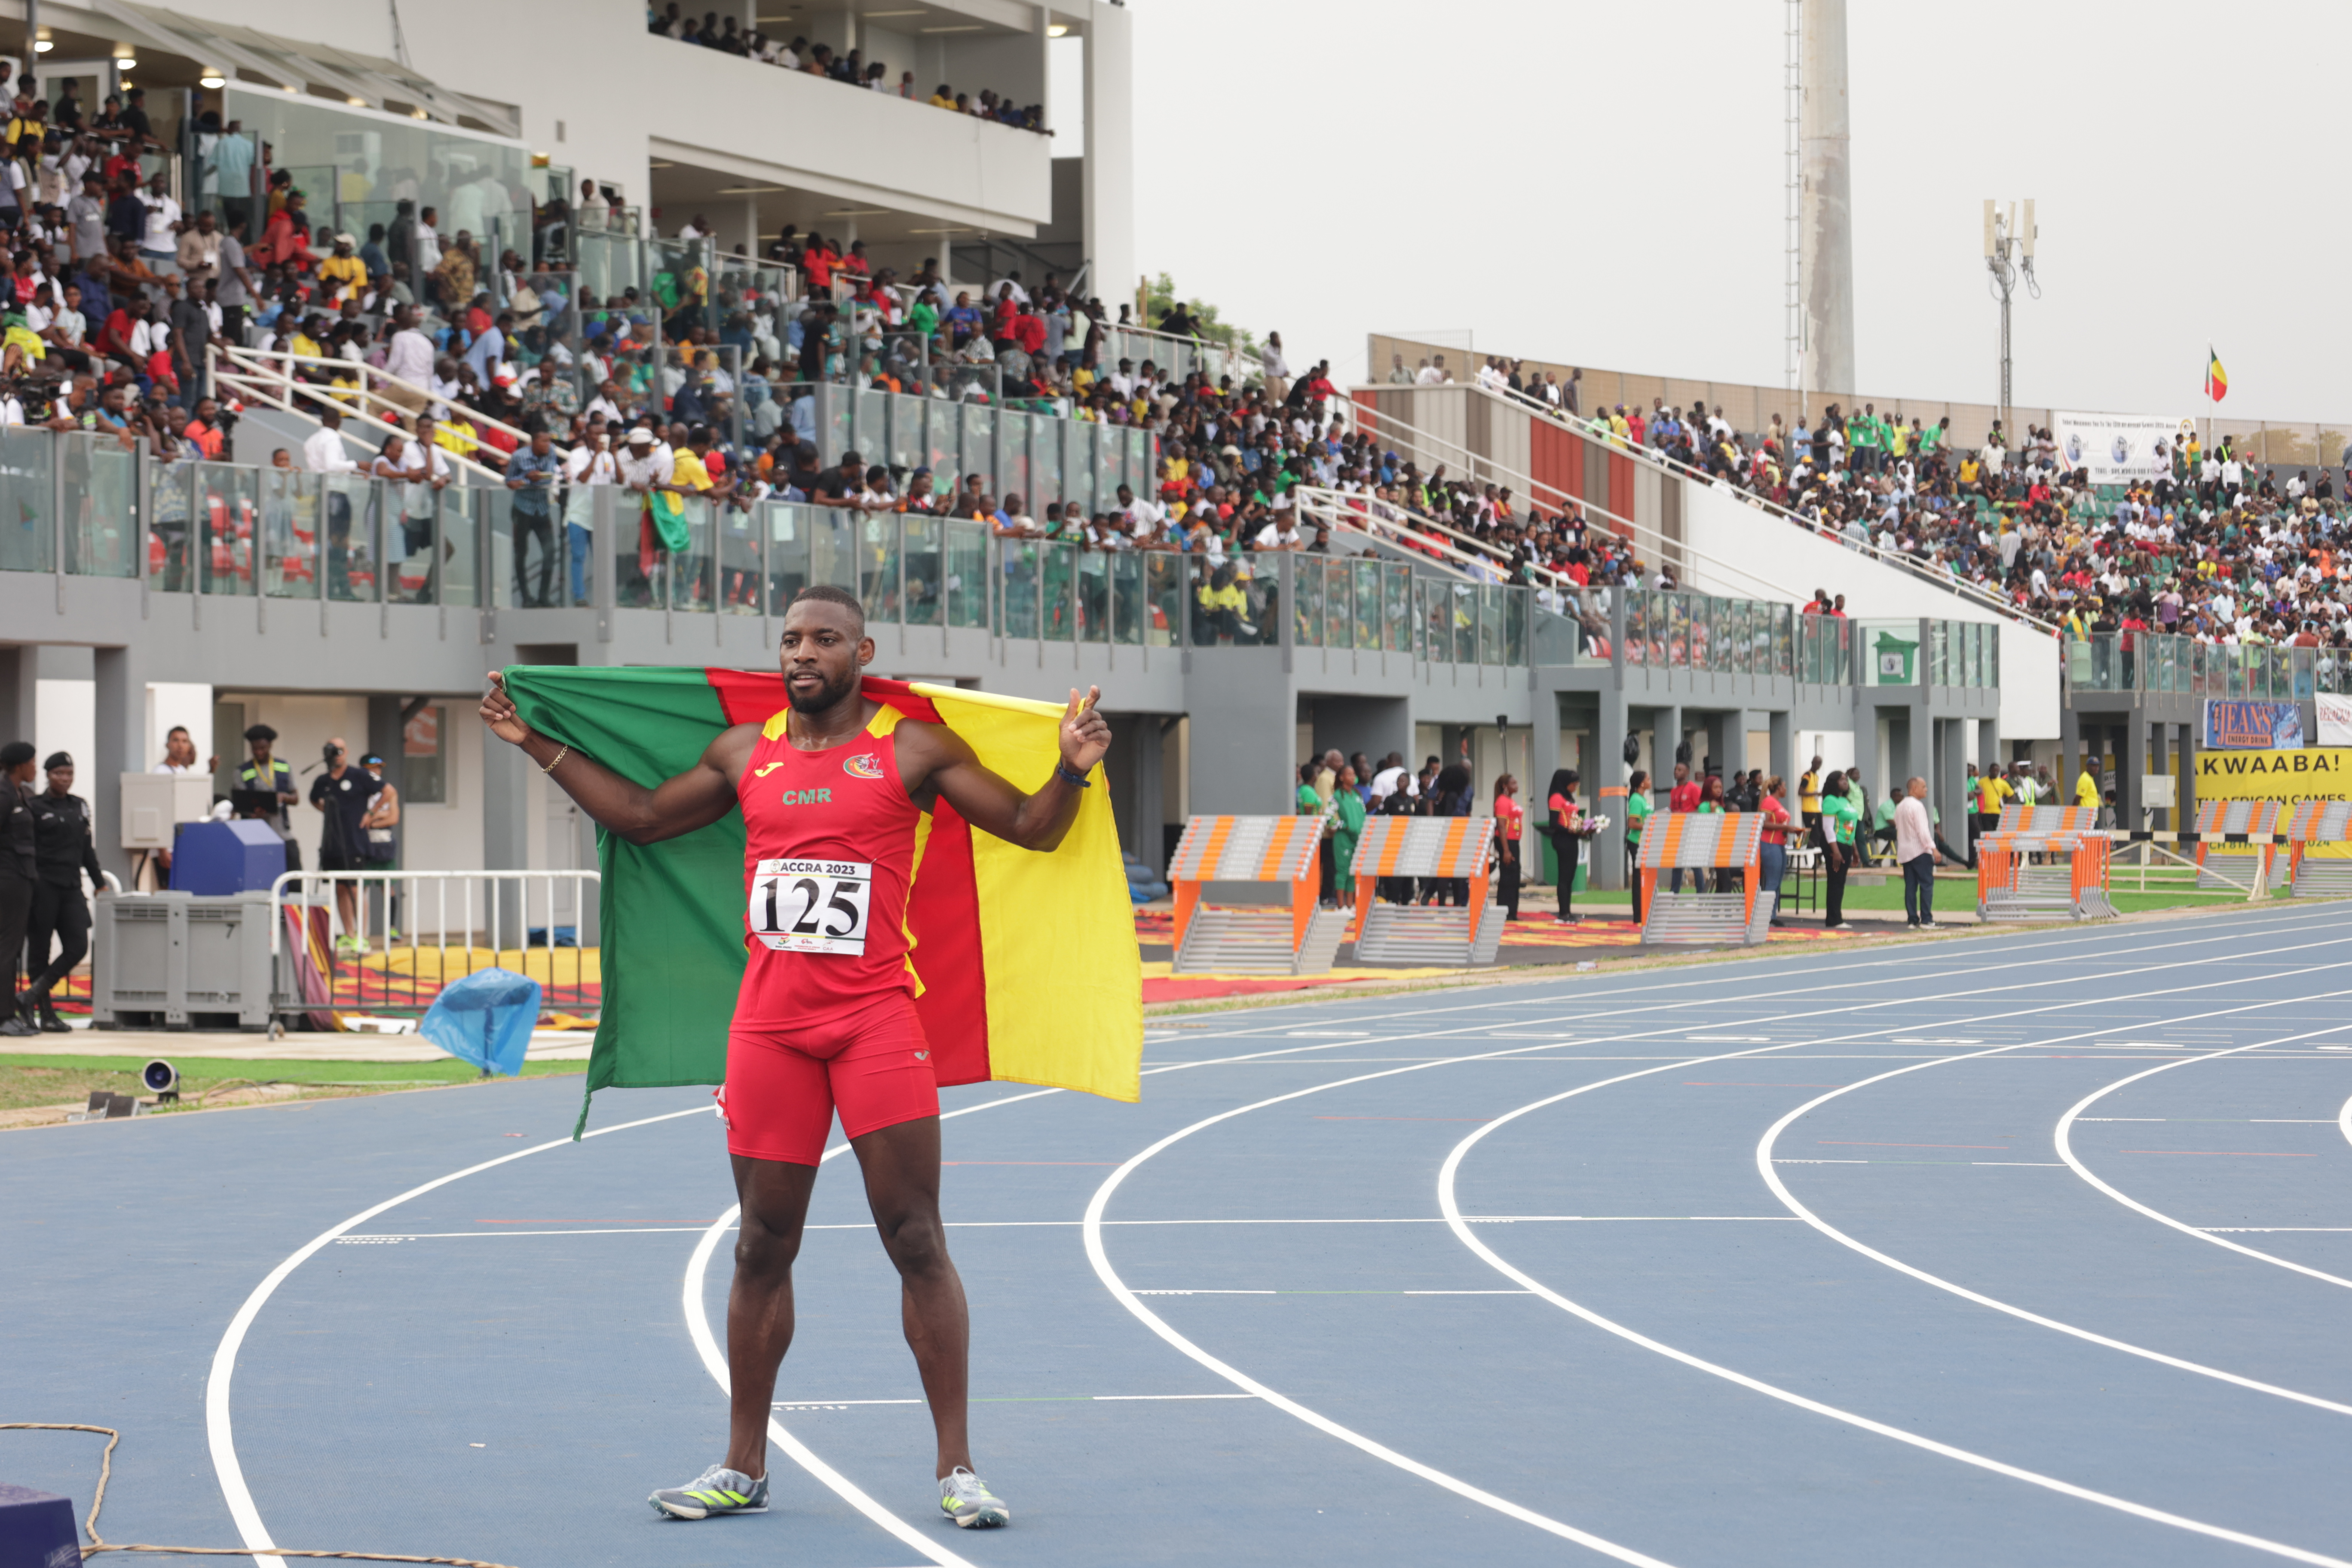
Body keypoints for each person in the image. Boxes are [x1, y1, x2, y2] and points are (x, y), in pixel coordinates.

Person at [477, 583, 1109, 1528]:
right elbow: (645, 818)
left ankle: (959, 1470)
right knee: (761, 1244)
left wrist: (1071, 771)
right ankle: (742, 1466)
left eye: (824, 639)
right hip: (770, 1030)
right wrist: (536, 744)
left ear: (864, 651)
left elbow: (1028, 827)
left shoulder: (912, 748)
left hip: (876, 1024)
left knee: (916, 1238)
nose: (802, 654)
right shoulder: (745, 754)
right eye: (790, 641)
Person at [21, 752, 103, 1030]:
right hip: (43, 886)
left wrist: (99, 882)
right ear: (48, 775)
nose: (65, 779)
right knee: (39, 952)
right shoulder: (34, 806)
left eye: (69, 774)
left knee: (78, 946)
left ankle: (32, 995)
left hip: (71, 886)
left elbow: (86, 850)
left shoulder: (80, 806)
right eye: (59, 774)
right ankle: (45, 1014)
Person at [309, 736, 376, 950]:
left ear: (346, 753)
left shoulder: (359, 775)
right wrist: (328, 814)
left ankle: (363, 937)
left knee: (356, 889)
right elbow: (313, 799)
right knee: (341, 889)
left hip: (355, 841)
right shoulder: (323, 780)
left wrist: (371, 814)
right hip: (333, 843)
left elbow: (389, 792)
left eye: (339, 750)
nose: (336, 754)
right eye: (332, 750)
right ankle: (349, 933)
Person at [0, 742, 40, 1036]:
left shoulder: (20, 795)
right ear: (19, 766)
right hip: (8, 878)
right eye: (32, 762)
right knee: (7, 948)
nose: (35, 768)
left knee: (12, 950)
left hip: (21, 877)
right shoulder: (3, 795)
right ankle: (4, 1016)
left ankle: (8, 1013)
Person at [237, 724, 301, 870]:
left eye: (263, 748)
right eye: (255, 749)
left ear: (270, 746)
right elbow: (240, 803)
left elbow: (296, 798)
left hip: (282, 833)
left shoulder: (283, 766)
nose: (259, 752)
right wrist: (252, 812)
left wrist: (284, 797)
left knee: (294, 874)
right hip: (255, 834)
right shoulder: (242, 771)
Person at [1894, 775, 1941, 929]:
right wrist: (1934, 849)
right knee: (1927, 885)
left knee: (1911, 886)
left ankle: (1913, 920)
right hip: (1920, 851)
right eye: (1924, 787)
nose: (1926, 789)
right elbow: (1923, 831)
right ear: (1914, 789)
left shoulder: (1900, 806)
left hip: (1906, 852)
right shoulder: (1917, 806)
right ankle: (1927, 919)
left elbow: (1897, 827)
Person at [1817, 769, 1859, 928]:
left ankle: (1837, 917)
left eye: (1846, 780)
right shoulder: (1830, 800)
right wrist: (1835, 851)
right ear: (1834, 783)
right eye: (1842, 780)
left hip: (1847, 844)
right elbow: (1828, 828)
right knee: (1835, 882)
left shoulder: (1846, 802)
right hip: (1834, 844)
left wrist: (1855, 849)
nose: (1845, 782)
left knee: (1841, 882)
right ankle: (1834, 920)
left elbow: (1850, 827)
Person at [1544, 768, 1582, 922]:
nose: (1576, 787)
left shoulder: (1569, 798)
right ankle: (1563, 913)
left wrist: (1582, 829)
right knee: (1564, 877)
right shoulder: (1556, 797)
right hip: (1563, 839)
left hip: (1572, 839)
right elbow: (1553, 823)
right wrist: (1569, 830)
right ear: (1566, 783)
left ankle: (1568, 911)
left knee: (1571, 876)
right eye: (1574, 784)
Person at [1757, 774, 1792, 925]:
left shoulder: (1777, 803)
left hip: (1779, 844)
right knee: (1772, 882)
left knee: (1777, 882)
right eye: (1784, 786)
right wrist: (1785, 827)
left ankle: (1773, 916)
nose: (1786, 789)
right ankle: (1766, 916)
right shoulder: (1769, 802)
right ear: (1779, 788)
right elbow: (1764, 823)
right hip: (1770, 844)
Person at [1332, 763, 1366, 903]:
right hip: (1343, 839)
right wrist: (1344, 826)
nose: (1353, 777)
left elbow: (1364, 815)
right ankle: (1341, 906)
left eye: (1354, 774)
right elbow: (1328, 818)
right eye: (1349, 774)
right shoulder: (1337, 796)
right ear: (1341, 777)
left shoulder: (1357, 795)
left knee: (1353, 873)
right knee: (1343, 871)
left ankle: (1350, 906)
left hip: (1358, 838)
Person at [1491, 773, 1522, 920]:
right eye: (1513, 783)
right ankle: (1506, 911)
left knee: (1515, 877)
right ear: (1505, 786)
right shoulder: (1502, 802)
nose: (1517, 786)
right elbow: (1502, 827)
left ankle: (1512, 911)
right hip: (1507, 842)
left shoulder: (1510, 800)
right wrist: (1506, 851)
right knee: (1509, 877)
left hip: (1514, 841)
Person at [1623, 767, 1652, 925]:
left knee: (1644, 878)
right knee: (1638, 879)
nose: (1650, 781)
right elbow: (1632, 823)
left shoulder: (1643, 799)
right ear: (1642, 783)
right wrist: (1651, 824)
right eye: (1648, 779)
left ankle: (1644, 914)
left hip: (1645, 843)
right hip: (1637, 842)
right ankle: (1638, 916)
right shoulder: (1635, 799)